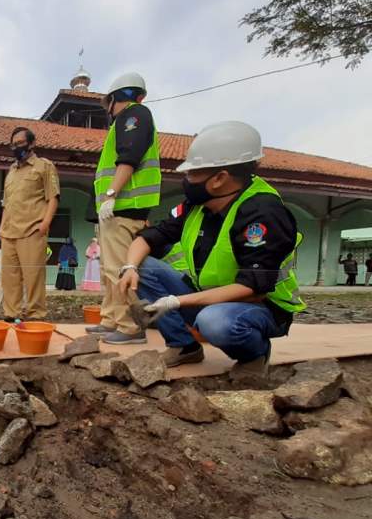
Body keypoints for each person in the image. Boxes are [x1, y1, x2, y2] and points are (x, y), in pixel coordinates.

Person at [117, 121, 306, 377]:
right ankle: (184, 347)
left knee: (215, 323)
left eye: (193, 173)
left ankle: (255, 354)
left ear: (220, 178)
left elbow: (253, 288)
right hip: (208, 296)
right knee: (144, 265)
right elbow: (149, 237)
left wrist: (175, 301)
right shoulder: (198, 204)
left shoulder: (263, 213)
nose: (186, 180)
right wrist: (129, 268)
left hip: (262, 307)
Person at [88, 72, 162, 344]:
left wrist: (111, 194)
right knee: (110, 269)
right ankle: (111, 319)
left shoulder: (134, 116)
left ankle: (130, 327)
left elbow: (128, 158)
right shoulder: (127, 120)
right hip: (118, 209)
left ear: (115, 98)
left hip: (124, 207)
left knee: (119, 268)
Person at [0, 127, 60, 321]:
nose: (16, 147)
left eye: (20, 143)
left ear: (32, 143)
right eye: (13, 144)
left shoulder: (44, 166)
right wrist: (1, 228)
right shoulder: (11, 170)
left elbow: (53, 197)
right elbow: (7, 203)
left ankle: (36, 315)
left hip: (33, 230)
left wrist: (46, 223)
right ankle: (11, 313)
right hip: (9, 232)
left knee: (33, 278)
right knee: (9, 279)